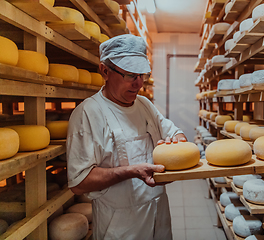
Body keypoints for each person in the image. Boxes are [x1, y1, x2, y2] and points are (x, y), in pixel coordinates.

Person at [66, 34, 187, 239]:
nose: (138, 84)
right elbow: (78, 183)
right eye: (131, 75)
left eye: (142, 75)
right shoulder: (88, 113)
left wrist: (176, 145)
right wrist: (131, 171)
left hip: (159, 215)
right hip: (121, 224)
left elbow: (176, 133)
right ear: (105, 71)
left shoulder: (144, 105)